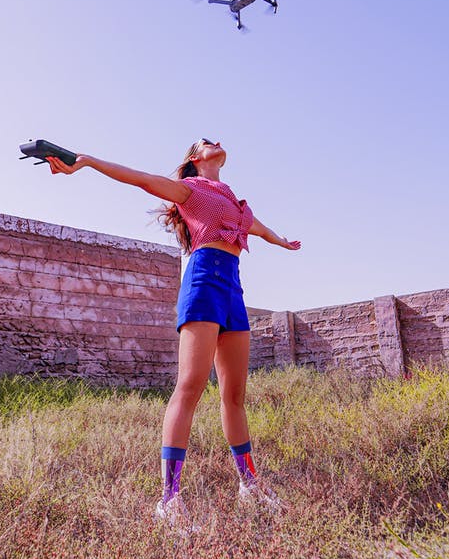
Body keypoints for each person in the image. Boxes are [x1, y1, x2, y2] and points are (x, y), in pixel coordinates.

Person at [45, 138, 301, 526]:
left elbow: (259, 229)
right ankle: (169, 500)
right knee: (190, 386)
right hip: (203, 283)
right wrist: (87, 162)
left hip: (232, 290)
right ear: (196, 160)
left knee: (234, 395)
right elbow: (143, 180)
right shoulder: (191, 190)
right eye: (206, 142)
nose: (217, 142)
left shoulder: (232, 200)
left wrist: (282, 241)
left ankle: (249, 485)